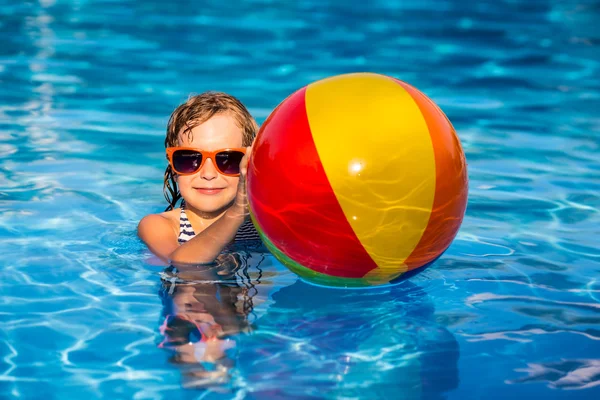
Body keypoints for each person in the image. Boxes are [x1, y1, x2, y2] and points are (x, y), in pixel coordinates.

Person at [138, 92, 261, 265]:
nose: (208, 174)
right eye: (189, 159)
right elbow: (180, 264)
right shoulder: (160, 226)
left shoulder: (260, 229)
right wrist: (237, 213)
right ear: (173, 167)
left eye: (227, 159)